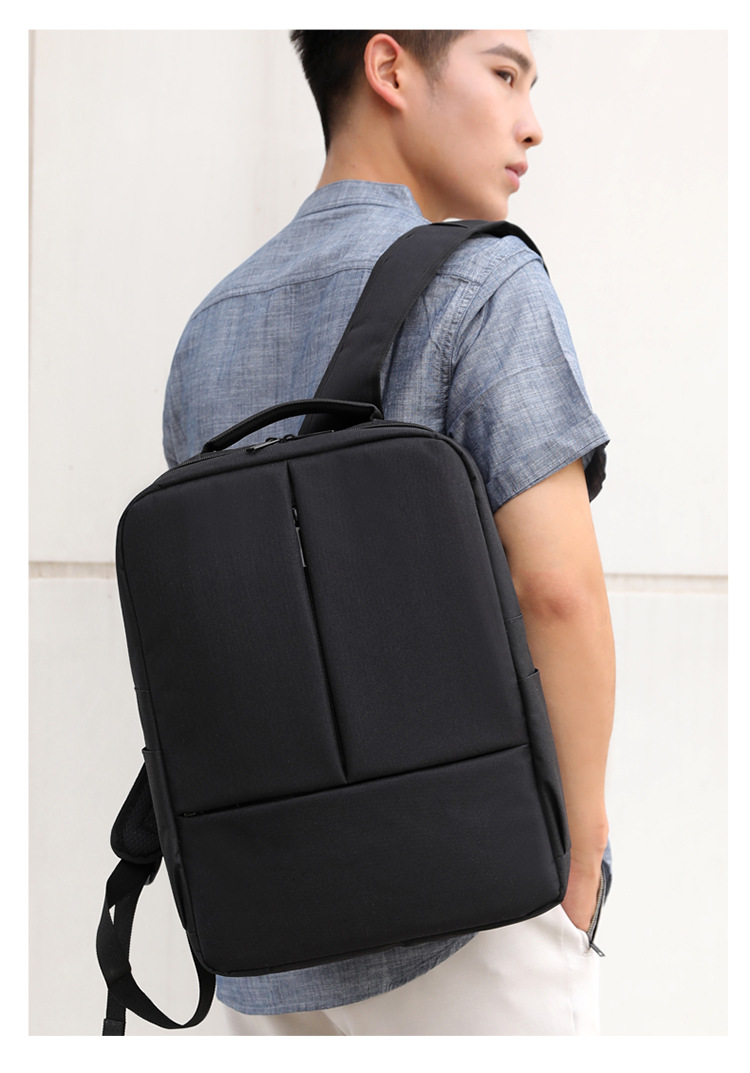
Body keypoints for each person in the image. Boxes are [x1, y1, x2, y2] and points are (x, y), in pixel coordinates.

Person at [163, 29, 615, 1036]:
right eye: (504, 73)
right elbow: (557, 590)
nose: (531, 124)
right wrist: (579, 861)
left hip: (268, 919)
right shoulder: (486, 283)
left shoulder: (209, 327)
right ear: (390, 68)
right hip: (474, 898)